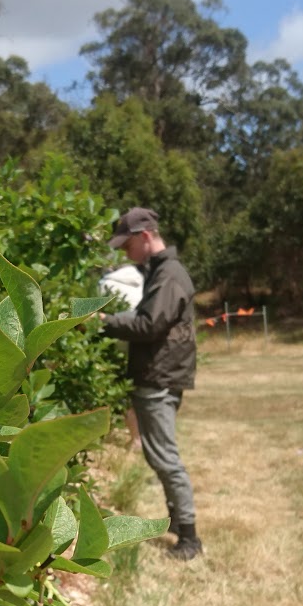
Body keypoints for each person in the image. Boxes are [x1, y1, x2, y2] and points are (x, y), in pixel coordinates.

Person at [99, 206, 202, 560]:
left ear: (145, 236)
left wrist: (104, 321)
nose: (125, 254)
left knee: (165, 457)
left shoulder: (169, 275)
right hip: (157, 374)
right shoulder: (159, 272)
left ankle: (190, 538)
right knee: (159, 456)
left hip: (159, 377)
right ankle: (176, 520)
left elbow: (149, 325)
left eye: (127, 246)